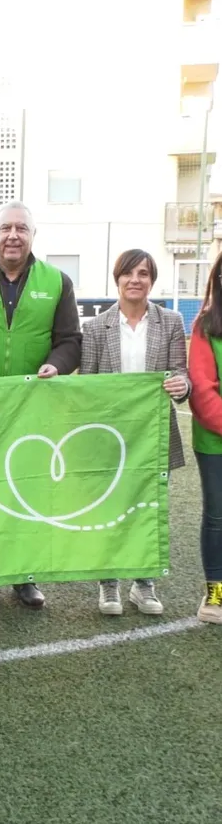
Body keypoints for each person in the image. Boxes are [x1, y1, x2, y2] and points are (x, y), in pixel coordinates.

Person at [0, 201, 82, 610]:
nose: (13, 235)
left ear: (33, 235)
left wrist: (56, 365)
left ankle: (26, 575)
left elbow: (70, 341)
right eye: (6, 227)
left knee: (29, 489)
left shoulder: (58, 281)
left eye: (21, 228)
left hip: (32, 406)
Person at [81, 249, 190, 616]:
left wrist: (182, 385)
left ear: (151, 280)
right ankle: (108, 582)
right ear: (118, 279)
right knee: (109, 508)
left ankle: (143, 584)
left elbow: (180, 372)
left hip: (154, 436)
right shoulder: (95, 327)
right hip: (109, 437)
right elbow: (88, 384)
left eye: (143, 273)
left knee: (149, 509)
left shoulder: (171, 321)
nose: (135, 280)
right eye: (128, 273)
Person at [188, 250, 222, 625]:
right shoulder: (206, 326)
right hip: (215, 443)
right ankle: (216, 594)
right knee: (217, 517)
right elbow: (201, 391)